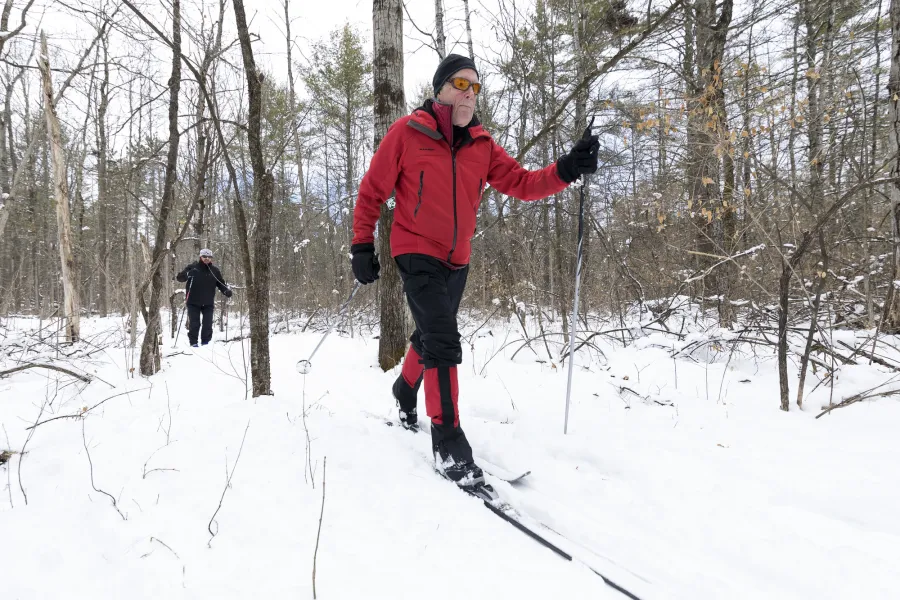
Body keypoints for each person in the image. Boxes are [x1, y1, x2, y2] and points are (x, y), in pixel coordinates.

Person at [351, 54, 599, 490]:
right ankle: (448, 443)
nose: (469, 93)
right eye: (461, 84)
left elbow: (523, 183)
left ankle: (405, 390)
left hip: (457, 259)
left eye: (476, 86)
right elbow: (372, 191)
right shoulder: (407, 133)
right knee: (443, 339)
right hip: (414, 250)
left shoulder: (482, 145)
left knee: (430, 334)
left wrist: (567, 168)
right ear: (440, 89)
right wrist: (361, 244)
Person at [175, 248, 233, 347]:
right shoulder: (192, 268)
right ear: (200, 257)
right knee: (194, 323)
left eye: (209, 257)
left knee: (207, 324)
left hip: (208, 302)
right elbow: (179, 278)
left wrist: (226, 291)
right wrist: (187, 274)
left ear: (211, 258)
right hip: (193, 302)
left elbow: (220, 283)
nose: (207, 258)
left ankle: (206, 343)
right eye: (204, 256)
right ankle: (193, 342)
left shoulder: (215, 270)